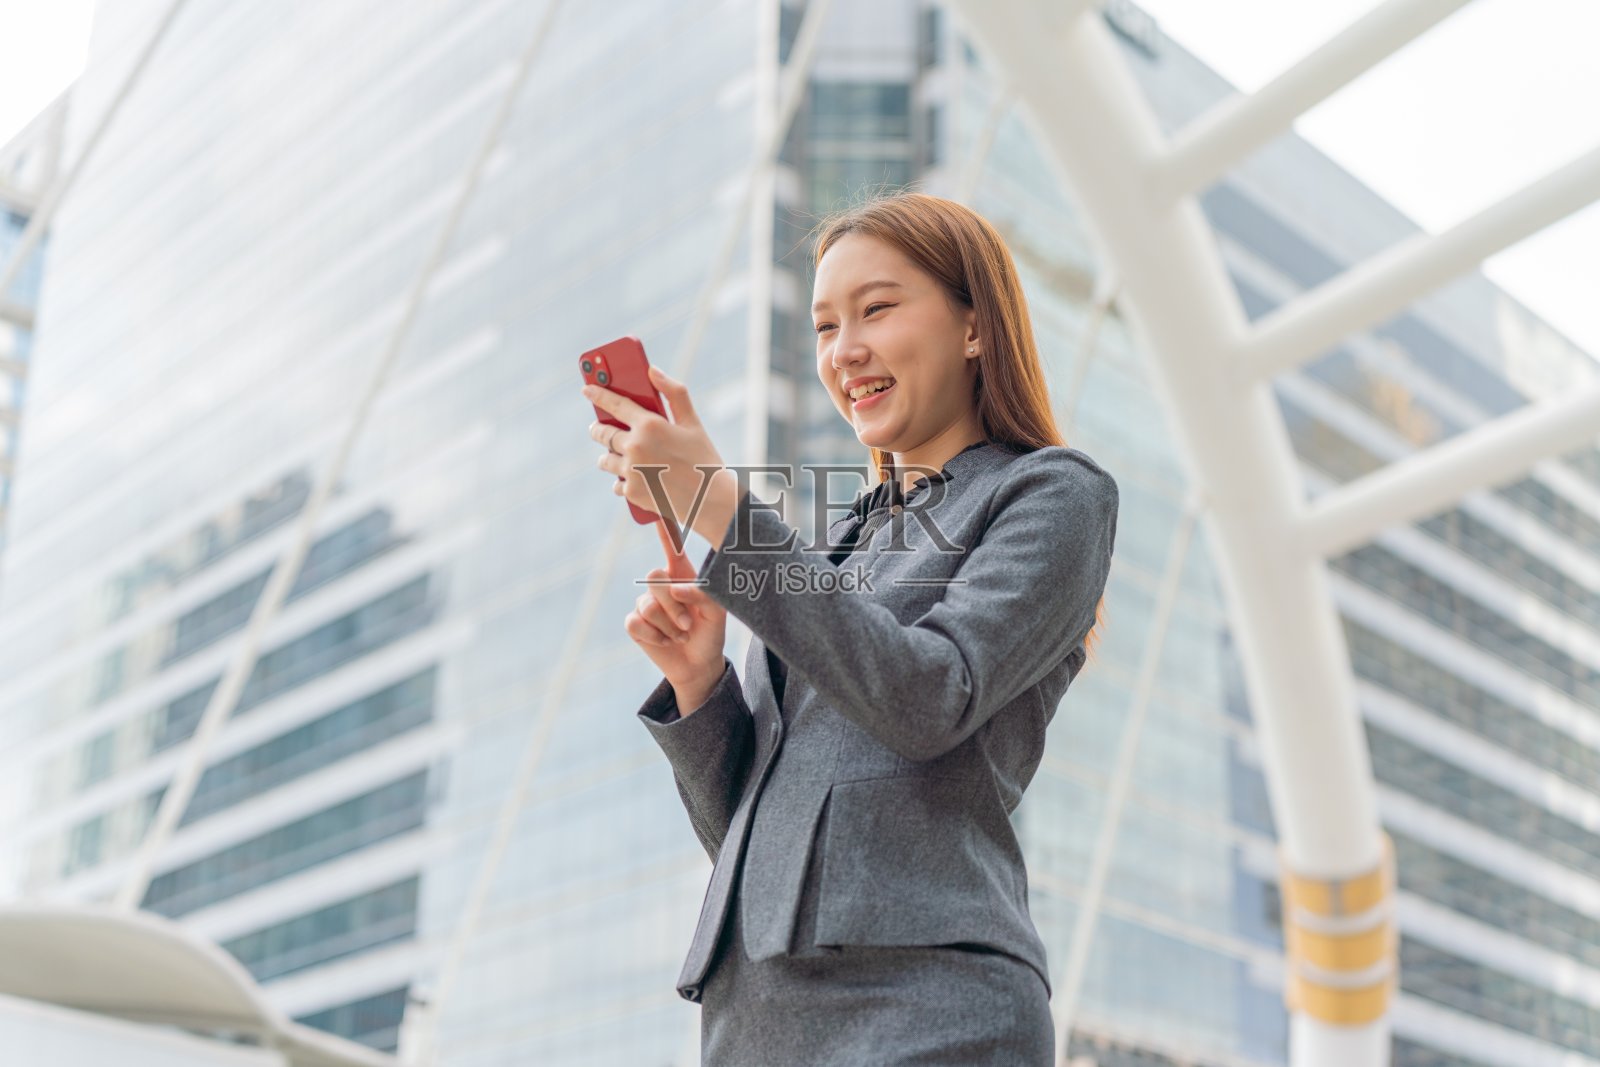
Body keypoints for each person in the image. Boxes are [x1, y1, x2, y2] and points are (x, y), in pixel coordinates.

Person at [582, 191, 1119, 1066]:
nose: (845, 351)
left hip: (932, 1008)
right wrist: (702, 684)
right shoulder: (833, 550)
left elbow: (928, 696)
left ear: (974, 327)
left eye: (876, 309)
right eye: (827, 326)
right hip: (755, 1024)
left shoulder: (1053, 494)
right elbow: (757, 841)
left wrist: (722, 507)